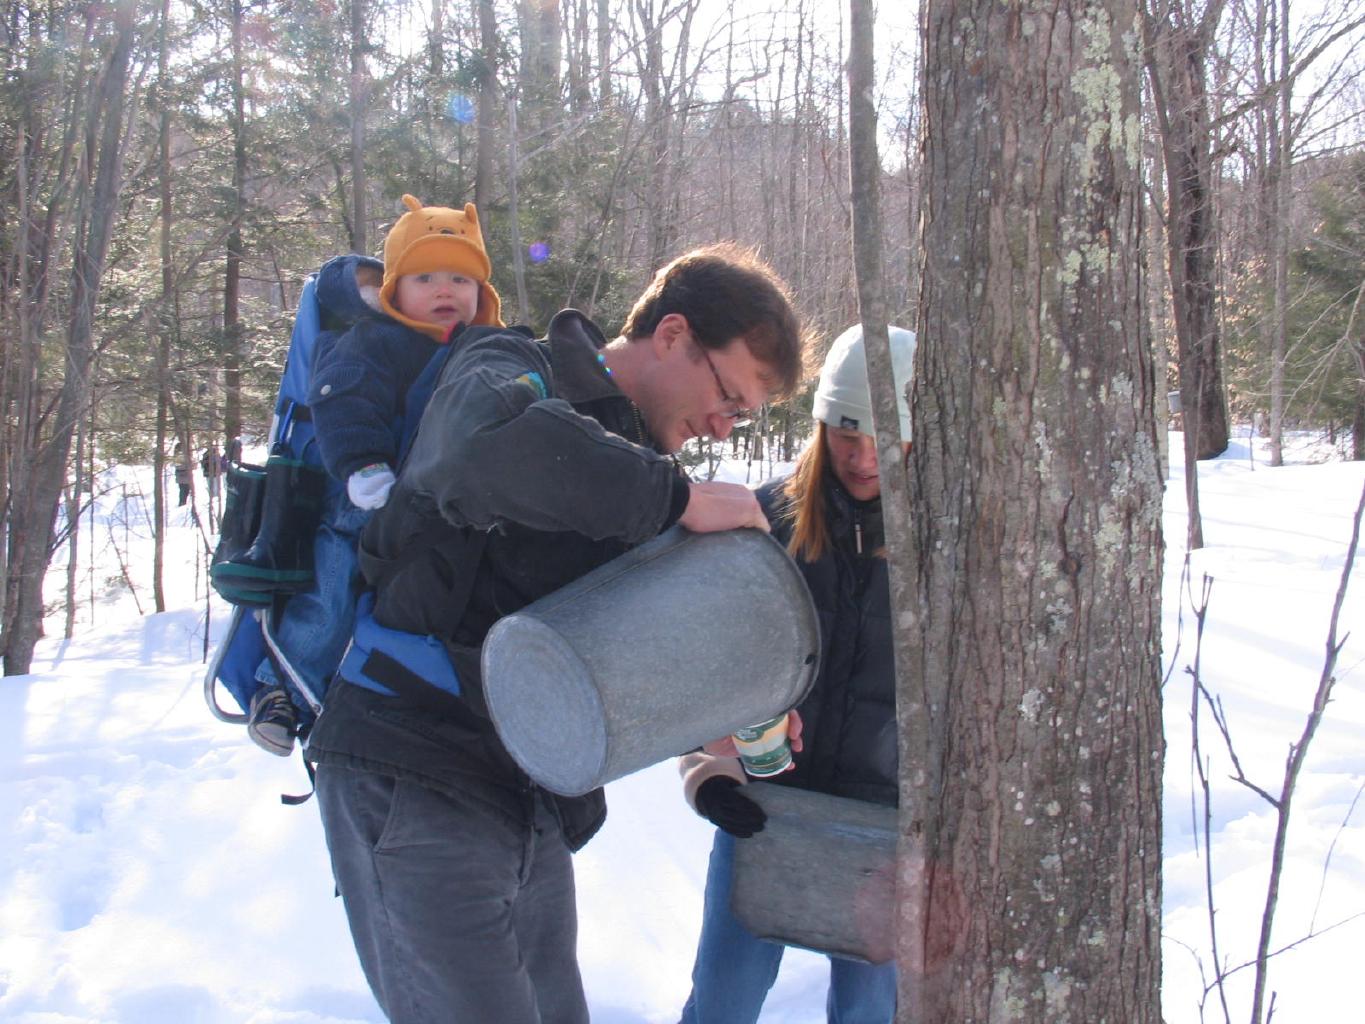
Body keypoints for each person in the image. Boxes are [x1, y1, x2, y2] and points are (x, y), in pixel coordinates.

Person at [305, 243, 807, 1023]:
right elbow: (476, 450)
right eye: (727, 395)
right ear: (672, 334)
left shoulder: (639, 467)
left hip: (523, 795)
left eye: (740, 415)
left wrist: (718, 718)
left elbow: (612, 652)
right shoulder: (510, 365)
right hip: (411, 768)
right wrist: (673, 498)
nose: (722, 424)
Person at [677, 323, 917, 1024]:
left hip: (883, 832)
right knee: (720, 1006)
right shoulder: (763, 522)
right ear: (820, 424)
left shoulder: (945, 540)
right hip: (765, 814)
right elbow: (703, 676)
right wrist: (709, 777)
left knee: (870, 1013)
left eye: (883, 438)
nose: (862, 458)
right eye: (846, 433)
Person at [244, 194, 503, 755]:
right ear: (393, 291)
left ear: (482, 292)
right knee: (334, 589)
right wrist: (364, 465)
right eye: (425, 277)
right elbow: (343, 398)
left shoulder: (490, 350)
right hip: (364, 499)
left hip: (439, 509)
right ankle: (283, 687)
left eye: (460, 279)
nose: (444, 290)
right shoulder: (374, 340)